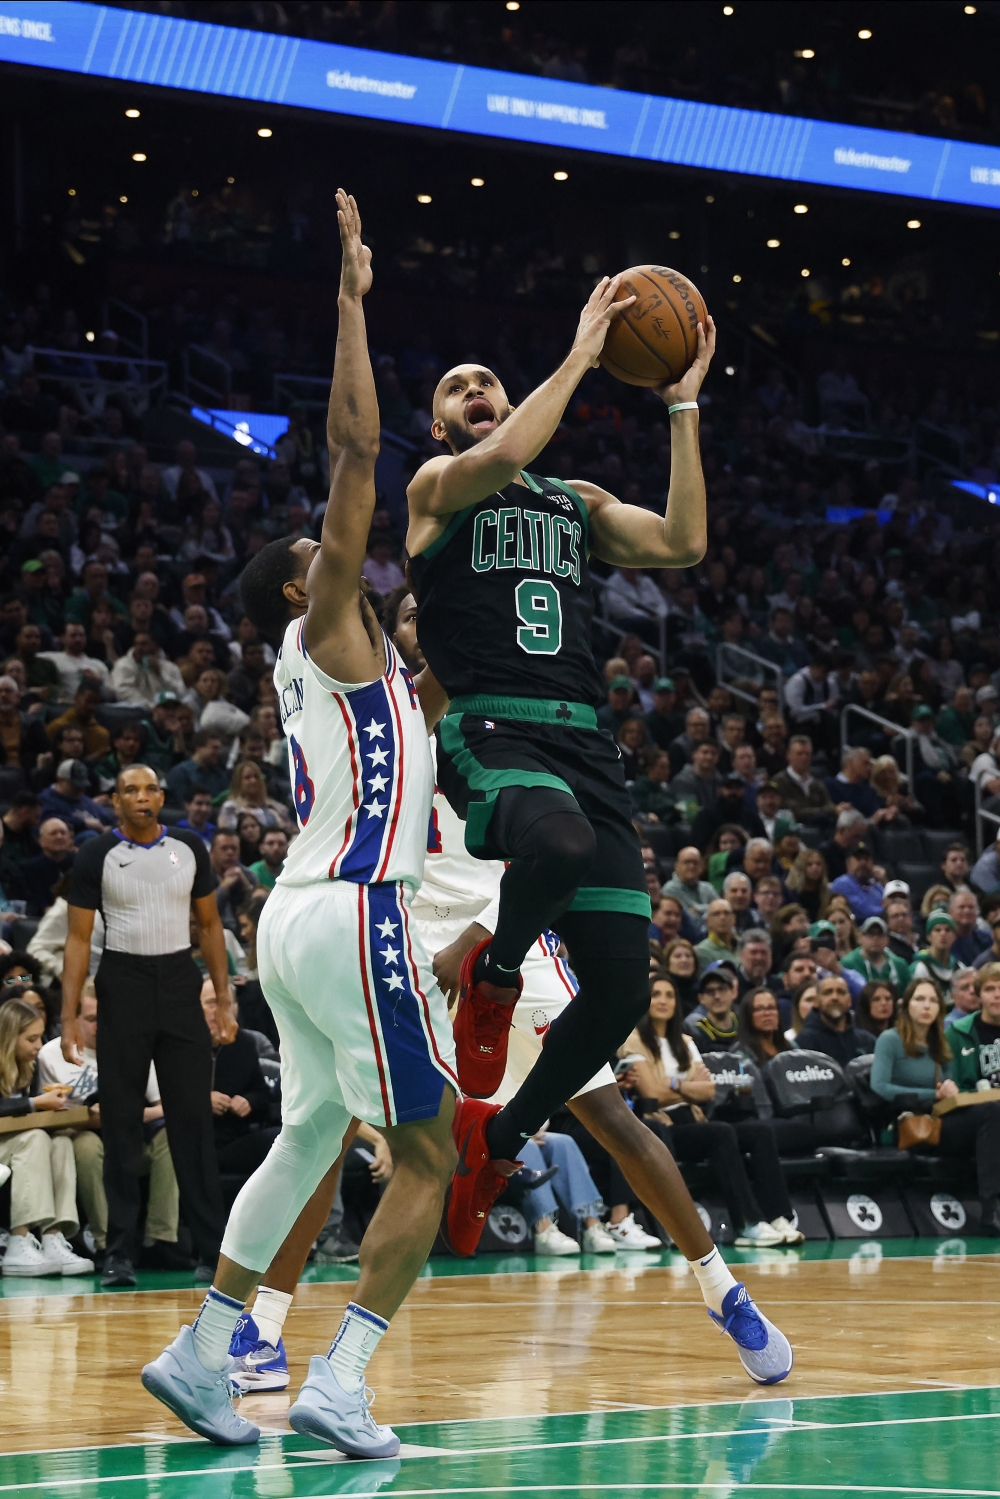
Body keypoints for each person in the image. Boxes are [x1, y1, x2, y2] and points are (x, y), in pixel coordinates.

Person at [142, 194, 466, 1455]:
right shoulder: (323, 623)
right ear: (305, 581)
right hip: (354, 909)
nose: (368, 567)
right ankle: (339, 1375)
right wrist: (349, 299)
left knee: (312, 1132)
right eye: (340, 558)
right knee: (430, 1151)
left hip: (301, 913)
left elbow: (433, 702)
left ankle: (199, 1348)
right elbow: (352, 452)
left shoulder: (372, 674)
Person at [61, 766, 234, 1289]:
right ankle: (119, 1253)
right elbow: (75, 940)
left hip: (181, 981)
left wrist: (223, 998)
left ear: (161, 797)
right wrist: (68, 1014)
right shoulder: (95, 854)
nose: (141, 797)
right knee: (120, 1122)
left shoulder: (189, 847)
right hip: (122, 983)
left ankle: (211, 1252)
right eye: (130, 790)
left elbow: (209, 925)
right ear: (114, 800)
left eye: (150, 789)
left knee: (193, 1123)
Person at [622, 976, 798, 1246]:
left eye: (669, 995)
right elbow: (652, 1095)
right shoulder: (633, 1041)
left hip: (693, 1118)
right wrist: (686, 1085)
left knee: (760, 1132)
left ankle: (779, 1217)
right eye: (656, 994)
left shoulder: (685, 1041)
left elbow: (709, 1091)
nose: (663, 1000)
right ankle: (747, 1224)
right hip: (664, 1126)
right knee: (720, 1132)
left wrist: (673, 1084)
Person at [36, 979, 185, 1268]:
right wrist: (87, 1119)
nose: (98, 1025)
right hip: (84, 1135)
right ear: (74, 1020)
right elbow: (48, 1118)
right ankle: (110, 1244)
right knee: (86, 1146)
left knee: (171, 1135)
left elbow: (165, 1107)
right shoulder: (51, 1055)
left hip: (131, 1138)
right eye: (91, 1019)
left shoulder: (134, 1048)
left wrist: (124, 1114)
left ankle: (161, 1238)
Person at [878, 976, 1000, 1234]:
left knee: (992, 1111)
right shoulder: (890, 1040)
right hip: (908, 1125)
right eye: (920, 999)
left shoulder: (940, 1043)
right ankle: (991, 1209)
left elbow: (948, 1088)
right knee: (991, 1112)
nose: (927, 1006)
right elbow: (880, 1087)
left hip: (939, 1122)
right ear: (906, 1005)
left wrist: (951, 1090)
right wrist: (931, 1093)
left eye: (933, 1000)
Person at [0, 993, 94, 1276]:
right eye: (31, 1039)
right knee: (36, 1138)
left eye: (40, 1038)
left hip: (12, 1143)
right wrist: (33, 1104)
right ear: (8, 1037)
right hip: (12, 1145)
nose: (38, 1046)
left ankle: (53, 1236)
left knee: (61, 1140)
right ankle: (19, 1239)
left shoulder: (28, 1067)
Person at [201, 977, 278, 1181]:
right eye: (211, 1003)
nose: (219, 1010)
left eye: (226, 1003)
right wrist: (203, 1099)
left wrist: (249, 1102)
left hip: (234, 1140)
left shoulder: (244, 1043)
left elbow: (262, 1095)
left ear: (235, 1008)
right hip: (193, 1142)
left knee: (285, 1138)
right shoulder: (182, 1047)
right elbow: (168, 1097)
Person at [796, 973, 876, 1065]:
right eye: (828, 992)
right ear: (816, 1001)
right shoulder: (804, 1042)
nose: (835, 997)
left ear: (850, 1000)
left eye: (841, 992)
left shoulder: (867, 1041)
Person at [39, 758, 115, 841]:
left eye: (82, 786)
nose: (80, 789)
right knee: (89, 835)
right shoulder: (47, 799)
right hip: (70, 843)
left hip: (100, 841)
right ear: (60, 780)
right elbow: (49, 821)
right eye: (75, 786)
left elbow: (109, 817)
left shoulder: (84, 800)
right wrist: (83, 824)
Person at [39, 621, 112, 704]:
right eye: (73, 636)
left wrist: (98, 682)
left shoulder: (98, 664)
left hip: (92, 708)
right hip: (62, 706)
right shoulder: (50, 658)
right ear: (63, 638)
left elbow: (110, 696)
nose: (78, 639)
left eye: (81, 635)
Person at [772, 735, 838, 825]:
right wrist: (827, 810)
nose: (804, 758)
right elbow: (792, 812)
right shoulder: (778, 782)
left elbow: (829, 805)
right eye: (799, 754)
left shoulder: (817, 782)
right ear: (788, 755)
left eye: (807, 754)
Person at [216, 760, 292, 834]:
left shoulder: (276, 807)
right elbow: (228, 836)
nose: (253, 781)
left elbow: (291, 831)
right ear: (238, 782)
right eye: (247, 777)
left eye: (256, 776)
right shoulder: (231, 808)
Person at [842, 914, 911, 992]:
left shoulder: (900, 965)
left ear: (887, 939)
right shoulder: (848, 964)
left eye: (880, 934)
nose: (875, 938)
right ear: (860, 937)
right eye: (870, 934)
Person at [22, 816, 75, 916]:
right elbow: (38, 902)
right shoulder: (32, 868)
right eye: (53, 833)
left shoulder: (80, 863)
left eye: (63, 833)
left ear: (70, 839)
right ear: (41, 841)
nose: (59, 837)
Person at [662, 847, 718, 935]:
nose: (691, 866)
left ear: (702, 867)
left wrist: (698, 908)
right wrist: (710, 912)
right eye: (687, 862)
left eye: (695, 863)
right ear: (677, 866)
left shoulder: (707, 888)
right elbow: (688, 921)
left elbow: (721, 911)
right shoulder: (670, 890)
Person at [686, 963, 741, 1052]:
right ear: (701, 998)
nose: (717, 996)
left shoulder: (746, 1026)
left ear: (734, 992)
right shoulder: (695, 1034)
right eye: (710, 991)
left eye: (722, 989)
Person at [166, 730, 229, 806]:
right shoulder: (180, 773)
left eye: (219, 749)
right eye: (214, 748)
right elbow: (182, 803)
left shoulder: (219, 774)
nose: (219, 752)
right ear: (199, 748)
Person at [909, 911, 962, 1000]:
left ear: (954, 936)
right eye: (937, 930)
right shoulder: (920, 967)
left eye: (948, 930)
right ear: (929, 936)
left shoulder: (959, 967)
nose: (943, 934)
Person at [736, 986, 792, 1066]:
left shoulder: (790, 1046)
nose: (767, 1013)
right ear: (748, 1015)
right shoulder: (740, 1053)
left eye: (771, 1008)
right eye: (759, 1009)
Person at [830, 843, 885, 922]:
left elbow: (890, 901)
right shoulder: (842, 883)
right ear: (848, 863)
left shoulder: (875, 884)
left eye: (866, 859)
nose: (863, 863)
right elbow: (863, 911)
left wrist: (885, 882)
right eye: (858, 859)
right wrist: (887, 911)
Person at [783, 846, 830, 923]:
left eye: (818, 864)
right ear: (801, 867)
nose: (815, 868)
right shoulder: (791, 893)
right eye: (809, 864)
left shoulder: (827, 893)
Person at [693, 898, 738, 974]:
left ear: (734, 919)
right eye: (716, 914)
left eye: (726, 913)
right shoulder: (702, 951)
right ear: (707, 921)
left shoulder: (743, 945)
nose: (722, 917)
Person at [949, 890, 990, 966]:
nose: (967, 911)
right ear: (951, 912)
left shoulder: (988, 938)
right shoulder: (945, 942)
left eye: (971, 907)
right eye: (961, 907)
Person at [786, 979, 817, 1045]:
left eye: (819, 1000)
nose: (814, 1005)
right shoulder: (788, 1039)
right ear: (797, 1006)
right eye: (809, 1000)